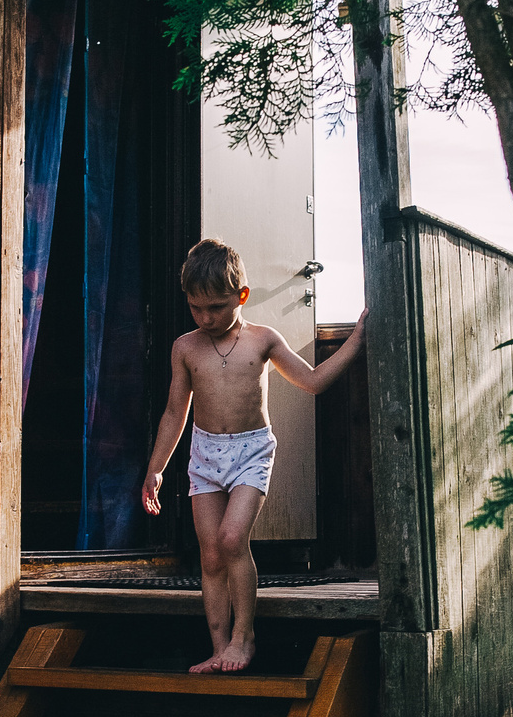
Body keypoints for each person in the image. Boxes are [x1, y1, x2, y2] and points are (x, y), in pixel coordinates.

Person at [141, 239, 368, 674]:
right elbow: (175, 412)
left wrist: (355, 342)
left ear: (241, 296)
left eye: (216, 307)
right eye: (195, 308)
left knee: (231, 541)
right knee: (209, 554)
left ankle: (244, 638)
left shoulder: (263, 340)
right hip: (205, 453)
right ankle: (219, 646)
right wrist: (156, 469)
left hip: (251, 451)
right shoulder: (185, 348)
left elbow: (314, 381)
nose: (205, 318)